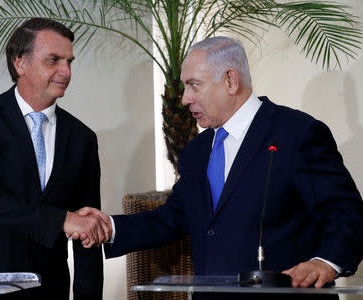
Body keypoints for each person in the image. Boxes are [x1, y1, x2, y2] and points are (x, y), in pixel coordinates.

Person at [71, 36, 363, 299]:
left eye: (193, 85)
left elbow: (346, 212)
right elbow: (175, 217)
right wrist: (110, 227)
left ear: (230, 81)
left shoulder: (297, 134)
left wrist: (325, 262)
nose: (185, 98)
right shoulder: (196, 151)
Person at [0, 18, 111, 300]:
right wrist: (61, 220)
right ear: (20, 63)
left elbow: (87, 231)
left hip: (47, 289)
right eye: (53, 60)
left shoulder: (82, 138)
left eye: (69, 61)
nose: (65, 71)